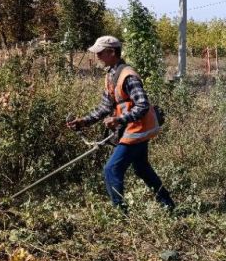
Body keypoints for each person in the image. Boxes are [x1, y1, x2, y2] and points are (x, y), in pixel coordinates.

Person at [67, 35, 175, 210]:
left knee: (111, 170)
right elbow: (105, 106)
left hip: (136, 131)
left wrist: (118, 119)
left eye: (100, 53)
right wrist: (83, 122)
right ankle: (167, 204)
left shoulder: (128, 76)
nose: (97, 56)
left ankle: (120, 213)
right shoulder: (111, 75)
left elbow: (143, 106)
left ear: (111, 52)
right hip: (132, 129)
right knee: (142, 169)